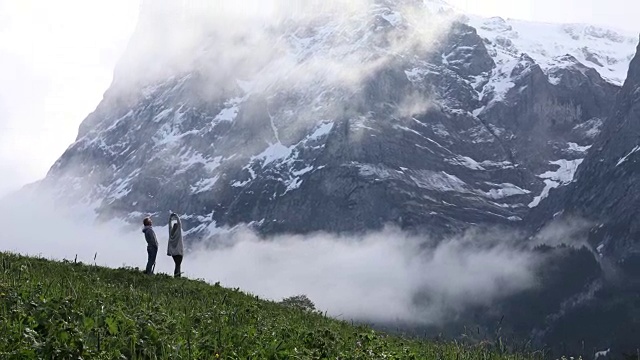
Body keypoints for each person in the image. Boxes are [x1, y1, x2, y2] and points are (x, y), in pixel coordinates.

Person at [167, 213, 184, 278]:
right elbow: (179, 224)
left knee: (176, 264)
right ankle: (177, 276)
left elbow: (169, 226)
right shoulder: (178, 234)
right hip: (179, 252)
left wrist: (170, 218)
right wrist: (176, 216)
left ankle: (177, 276)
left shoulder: (171, 234)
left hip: (173, 253)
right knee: (178, 265)